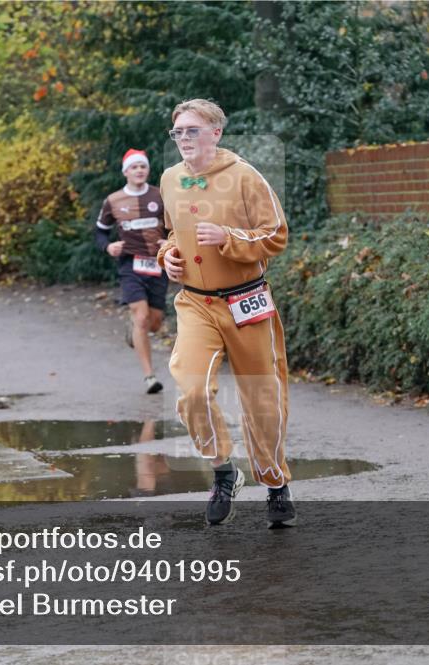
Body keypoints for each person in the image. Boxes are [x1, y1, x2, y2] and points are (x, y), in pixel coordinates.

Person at [156, 99, 296, 528]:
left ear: (215, 133)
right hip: (196, 303)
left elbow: (276, 235)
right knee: (191, 390)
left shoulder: (245, 176)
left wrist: (228, 237)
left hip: (246, 300)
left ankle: (275, 483)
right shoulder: (170, 179)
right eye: (178, 132)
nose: (184, 139)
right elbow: (170, 235)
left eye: (192, 130)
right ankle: (223, 471)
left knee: (262, 399)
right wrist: (167, 257)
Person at [95, 149, 169, 394]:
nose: (139, 170)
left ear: (148, 170)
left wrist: (169, 241)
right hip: (130, 265)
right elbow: (100, 231)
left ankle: (135, 331)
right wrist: (108, 247)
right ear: (125, 172)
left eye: (142, 166)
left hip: (158, 264)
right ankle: (150, 376)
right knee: (141, 317)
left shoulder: (160, 196)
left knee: (154, 324)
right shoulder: (113, 200)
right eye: (134, 167)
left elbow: (174, 226)